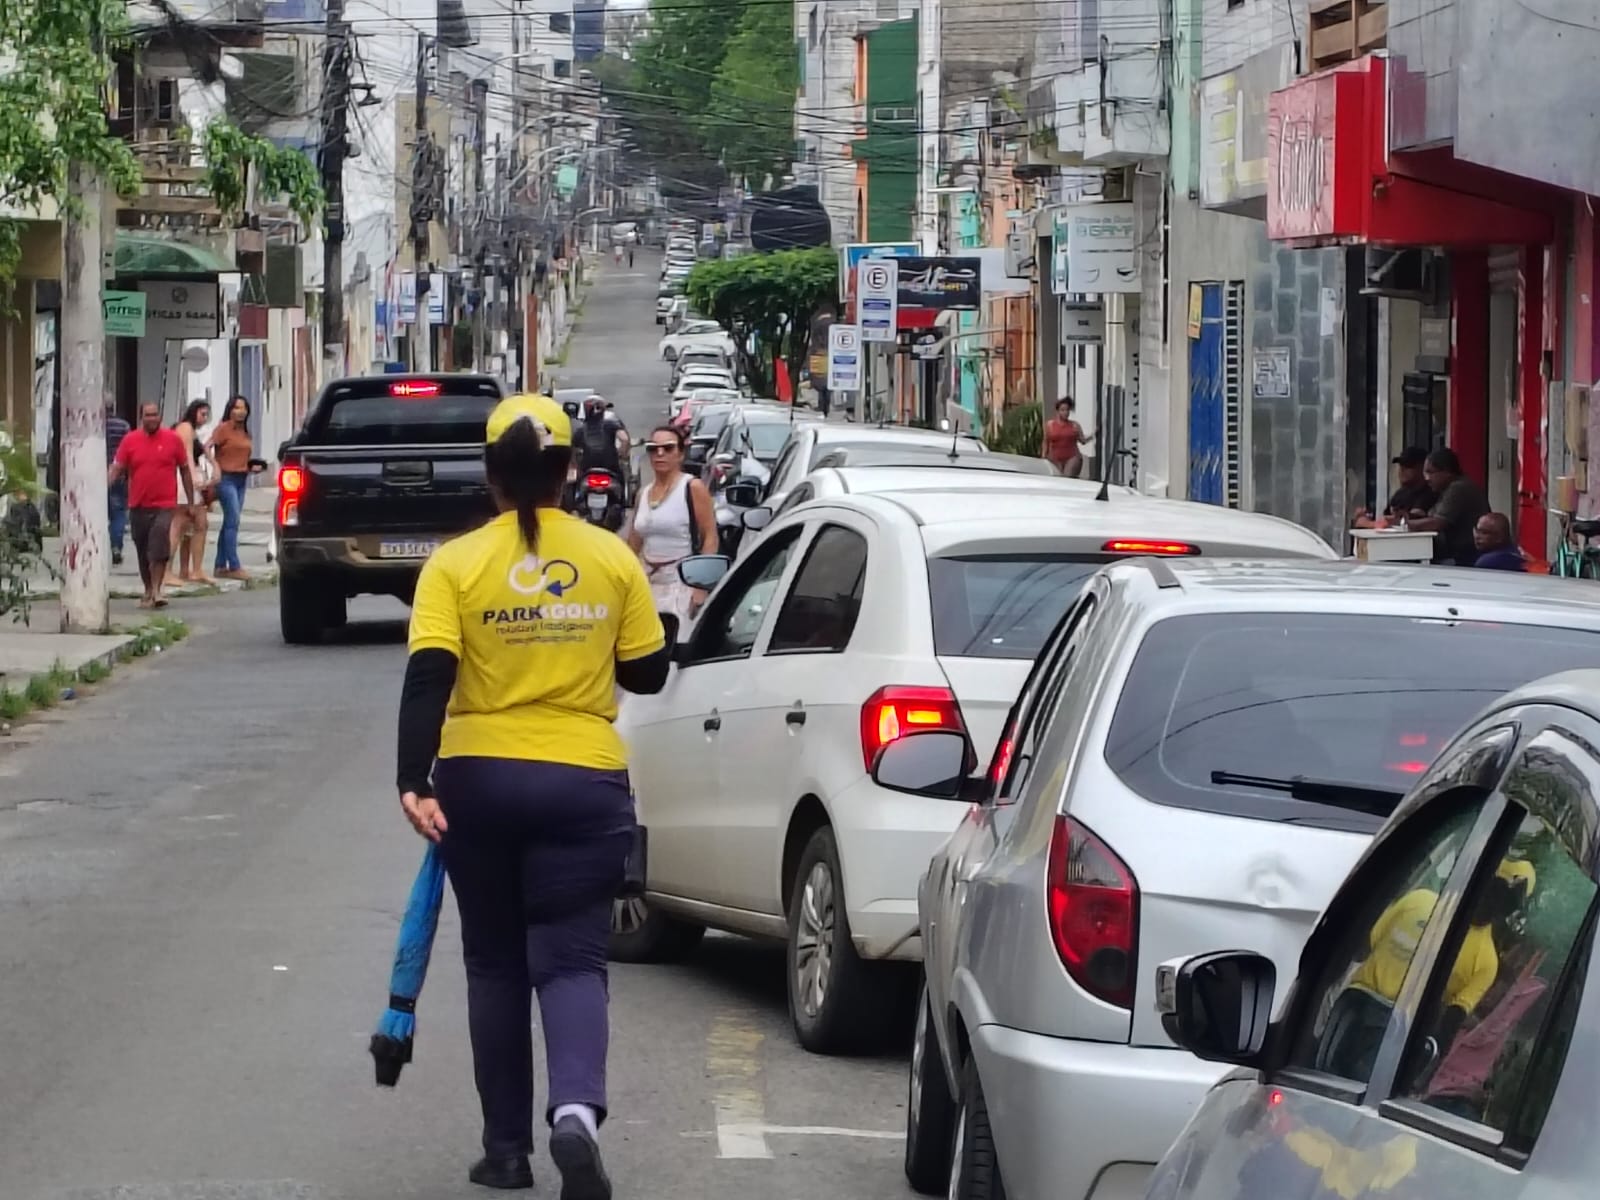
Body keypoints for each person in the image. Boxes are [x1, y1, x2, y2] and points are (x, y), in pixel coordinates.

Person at [396, 392, 670, 1197]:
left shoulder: (454, 564)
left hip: (476, 782)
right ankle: (576, 1115)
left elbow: (428, 676)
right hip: (583, 783)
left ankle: (506, 1151)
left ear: (491, 476)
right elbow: (646, 672)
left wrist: (414, 780)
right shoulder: (612, 559)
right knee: (574, 959)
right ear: (567, 472)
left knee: (494, 965)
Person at [627, 425, 718, 625]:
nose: (660, 454)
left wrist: (700, 588)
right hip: (647, 584)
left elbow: (710, 537)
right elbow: (634, 543)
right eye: (653, 448)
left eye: (668, 448)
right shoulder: (643, 493)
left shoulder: (692, 487)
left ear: (680, 453)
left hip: (681, 583)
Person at [108, 402, 196, 608]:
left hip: (165, 504)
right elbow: (117, 467)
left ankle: (157, 590)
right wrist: (101, 488)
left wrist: (191, 501)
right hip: (138, 503)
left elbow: (184, 470)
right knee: (143, 549)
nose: (152, 418)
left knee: (159, 545)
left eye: (155, 414)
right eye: (148, 415)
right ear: (141, 418)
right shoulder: (130, 441)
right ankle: (148, 589)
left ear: (160, 417)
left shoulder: (173, 440)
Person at [209, 395, 265, 580]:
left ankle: (220, 565)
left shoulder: (245, 432)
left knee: (229, 523)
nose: (240, 412)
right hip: (226, 479)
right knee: (233, 520)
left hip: (242, 478)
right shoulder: (224, 429)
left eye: (243, 408)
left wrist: (251, 466)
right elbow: (206, 446)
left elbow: (241, 455)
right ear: (230, 410)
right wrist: (214, 466)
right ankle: (234, 565)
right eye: (236, 408)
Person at [1406, 447, 1491, 566]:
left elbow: (1437, 523)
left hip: (1464, 557)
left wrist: (1405, 524)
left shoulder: (1458, 488)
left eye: (1431, 472)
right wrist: (1412, 516)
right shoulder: (1447, 489)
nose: (1427, 479)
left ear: (1446, 471)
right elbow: (1433, 516)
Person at [168, 400, 216, 589]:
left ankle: (189, 569)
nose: (204, 419)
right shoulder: (185, 428)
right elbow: (186, 454)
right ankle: (169, 571)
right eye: (202, 414)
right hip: (184, 480)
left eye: (207, 415)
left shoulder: (190, 430)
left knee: (195, 524)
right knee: (181, 525)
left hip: (187, 478)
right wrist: (194, 477)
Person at [1353, 446, 1436, 528]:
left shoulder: (1429, 493)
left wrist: (1369, 523)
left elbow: (1404, 522)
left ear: (1422, 468)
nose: (1402, 469)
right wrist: (1364, 517)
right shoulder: (1401, 493)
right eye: (1401, 465)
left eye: (1408, 466)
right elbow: (1383, 518)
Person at [105, 400, 130, 566]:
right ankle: (116, 547)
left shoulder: (94, 426)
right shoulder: (124, 426)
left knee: (100, 513)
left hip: (96, 473)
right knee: (119, 513)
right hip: (119, 472)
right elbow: (129, 448)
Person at [1043, 397, 1092, 477]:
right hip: (1055, 458)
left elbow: (1083, 441)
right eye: (1062, 410)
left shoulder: (1074, 425)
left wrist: (1093, 435)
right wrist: (1043, 456)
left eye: (1067, 410)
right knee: (1057, 480)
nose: (1065, 412)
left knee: (1067, 478)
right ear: (1057, 411)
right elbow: (1045, 441)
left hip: (1072, 457)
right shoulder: (1050, 425)